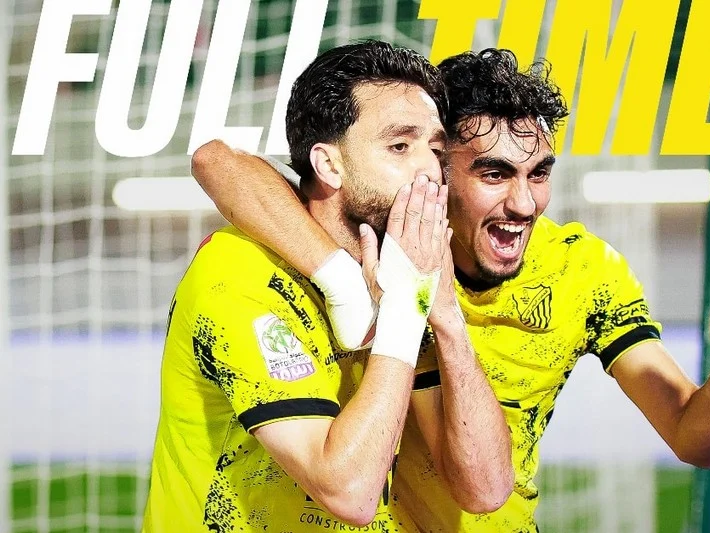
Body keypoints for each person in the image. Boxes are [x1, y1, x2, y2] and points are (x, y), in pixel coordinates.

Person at [192, 47, 710, 532]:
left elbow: (696, 441)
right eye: (493, 173)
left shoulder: (582, 269)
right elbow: (221, 162)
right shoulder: (379, 240)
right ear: (442, 174)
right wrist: (341, 277)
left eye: (538, 173)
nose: (523, 204)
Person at [143, 41, 513, 533]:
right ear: (328, 165)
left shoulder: (404, 272)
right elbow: (350, 492)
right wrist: (401, 309)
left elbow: (485, 490)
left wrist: (441, 313)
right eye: (399, 146)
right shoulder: (238, 275)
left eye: (436, 149)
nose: (428, 169)